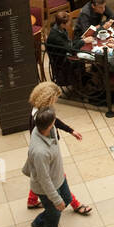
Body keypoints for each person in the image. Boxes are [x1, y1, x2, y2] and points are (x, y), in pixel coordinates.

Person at [25, 82, 90, 212]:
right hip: (47, 151)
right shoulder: (38, 118)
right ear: (48, 99)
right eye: (54, 99)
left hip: (47, 149)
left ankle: (31, 201)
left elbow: (54, 120)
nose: (55, 102)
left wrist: (70, 131)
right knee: (60, 178)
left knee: (38, 175)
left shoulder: (38, 111)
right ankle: (75, 204)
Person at [22, 108, 76, 227]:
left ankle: (39, 222)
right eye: (54, 121)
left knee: (67, 198)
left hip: (58, 177)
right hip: (48, 186)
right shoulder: (40, 152)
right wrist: (55, 200)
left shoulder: (43, 130)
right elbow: (44, 179)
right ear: (48, 125)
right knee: (54, 214)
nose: (55, 122)